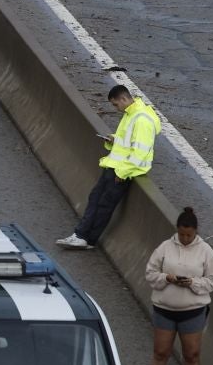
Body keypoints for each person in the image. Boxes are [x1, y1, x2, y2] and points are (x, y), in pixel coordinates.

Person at [58, 83, 161, 249]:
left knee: (102, 204)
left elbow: (139, 152)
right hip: (115, 167)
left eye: (116, 104)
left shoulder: (141, 119)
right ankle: (86, 238)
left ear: (124, 98)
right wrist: (113, 139)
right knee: (98, 201)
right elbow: (128, 143)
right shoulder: (132, 114)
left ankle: (82, 236)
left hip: (121, 171)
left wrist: (123, 172)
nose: (116, 108)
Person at [146, 207, 213, 365]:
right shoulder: (164, 248)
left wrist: (193, 283)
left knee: (192, 355)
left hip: (192, 312)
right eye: (182, 234)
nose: (185, 238)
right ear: (177, 231)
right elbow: (150, 273)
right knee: (160, 354)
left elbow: (212, 280)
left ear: (196, 232)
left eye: (189, 235)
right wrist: (166, 278)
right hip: (164, 310)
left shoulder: (206, 251)